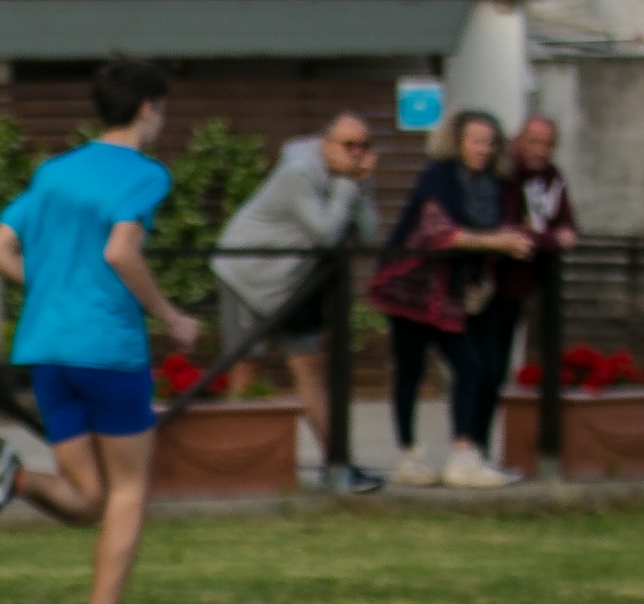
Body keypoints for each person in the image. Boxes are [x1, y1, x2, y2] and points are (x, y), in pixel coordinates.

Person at [0, 57, 202, 604]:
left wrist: (54, 292)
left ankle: (15, 480)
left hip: (47, 349)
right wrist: (171, 316)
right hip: (107, 348)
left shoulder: (54, 172)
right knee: (130, 490)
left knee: (87, 499)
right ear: (148, 108)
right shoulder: (145, 174)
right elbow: (121, 252)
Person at [366, 110, 535, 489]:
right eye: (476, 141)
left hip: (451, 294)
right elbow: (439, 233)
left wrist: (511, 237)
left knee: (472, 367)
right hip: (411, 289)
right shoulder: (438, 175)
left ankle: (463, 455)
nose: (483, 149)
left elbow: (491, 231)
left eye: (489, 142)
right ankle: (408, 457)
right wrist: (499, 242)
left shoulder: (490, 185)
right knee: (410, 371)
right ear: (457, 142)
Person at [213, 112, 382, 489]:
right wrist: (347, 186)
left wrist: (362, 187)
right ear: (326, 144)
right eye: (348, 145)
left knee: (309, 370)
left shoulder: (347, 179)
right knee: (246, 369)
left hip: (290, 286)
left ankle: (338, 466)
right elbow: (326, 234)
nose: (357, 153)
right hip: (247, 276)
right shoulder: (299, 172)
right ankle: (237, 471)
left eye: (364, 146)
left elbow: (368, 237)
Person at [484, 113, 581, 448]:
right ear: (519, 140)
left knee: (498, 369)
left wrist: (539, 234)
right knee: (481, 370)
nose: (541, 150)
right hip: (488, 284)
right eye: (534, 142)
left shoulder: (550, 175)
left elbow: (567, 225)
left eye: (548, 144)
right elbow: (508, 230)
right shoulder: (504, 172)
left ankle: (483, 448)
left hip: (520, 288)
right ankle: (472, 446)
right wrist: (547, 237)